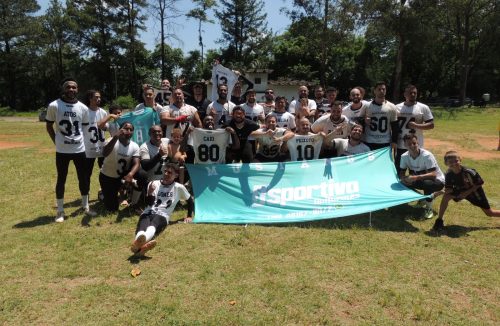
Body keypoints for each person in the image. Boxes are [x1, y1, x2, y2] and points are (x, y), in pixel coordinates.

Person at [45, 78, 94, 222]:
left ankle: (85, 206)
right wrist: (56, 141)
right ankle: (60, 211)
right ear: (64, 89)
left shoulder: (83, 108)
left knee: (83, 178)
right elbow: (49, 126)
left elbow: (84, 128)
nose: (71, 90)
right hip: (62, 150)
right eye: (68, 87)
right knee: (61, 178)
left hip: (79, 149)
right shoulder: (54, 105)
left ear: (77, 90)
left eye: (74, 87)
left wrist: (80, 142)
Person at [130, 163, 194, 256]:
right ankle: (140, 248)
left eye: (170, 172)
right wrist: (150, 193)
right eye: (165, 171)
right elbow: (149, 203)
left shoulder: (178, 187)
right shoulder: (153, 183)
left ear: (176, 175)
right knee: (142, 227)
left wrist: (189, 216)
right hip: (148, 212)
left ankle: (138, 247)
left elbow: (190, 200)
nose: (166, 174)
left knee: (153, 225)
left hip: (162, 215)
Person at [432, 151, 500, 231]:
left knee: (489, 213)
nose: (454, 164)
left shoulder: (469, 171)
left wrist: (466, 193)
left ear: (460, 160)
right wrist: (437, 193)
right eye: (450, 162)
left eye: (456, 161)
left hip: (475, 193)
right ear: (446, 163)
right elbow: (449, 189)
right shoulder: (449, 174)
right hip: (460, 191)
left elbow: (480, 182)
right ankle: (439, 220)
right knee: (446, 197)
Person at [399, 134, 444, 220]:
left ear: (417, 143)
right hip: (420, 179)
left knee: (428, 183)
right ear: (405, 145)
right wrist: (403, 179)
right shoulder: (404, 156)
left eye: (414, 143)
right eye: (409, 144)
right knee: (401, 183)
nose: (412, 146)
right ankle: (422, 198)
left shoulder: (427, 155)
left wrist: (415, 178)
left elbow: (433, 175)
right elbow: (402, 172)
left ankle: (428, 208)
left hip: (438, 181)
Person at [99, 122, 142, 212]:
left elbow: (136, 163)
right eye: (126, 129)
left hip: (121, 177)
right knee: (112, 208)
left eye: (131, 130)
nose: (128, 131)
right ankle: (103, 194)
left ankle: (132, 199)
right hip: (107, 177)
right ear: (120, 129)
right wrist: (115, 137)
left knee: (142, 175)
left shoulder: (134, 146)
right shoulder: (111, 140)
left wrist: (130, 174)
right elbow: (105, 153)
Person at [395, 85, 434, 172]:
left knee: (416, 170)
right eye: (410, 93)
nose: (412, 94)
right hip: (401, 143)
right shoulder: (397, 107)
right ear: (405, 94)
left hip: (416, 144)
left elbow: (431, 125)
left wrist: (416, 125)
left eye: (414, 93)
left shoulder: (423, 107)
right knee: (399, 170)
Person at [83, 90, 108, 202]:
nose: (98, 99)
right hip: (88, 148)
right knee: (86, 173)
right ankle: (85, 194)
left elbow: (106, 127)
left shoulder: (103, 112)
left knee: (105, 171)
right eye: (96, 97)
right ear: (90, 98)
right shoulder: (84, 111)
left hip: (102, 147)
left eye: (99, 97)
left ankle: (103, 191)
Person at [364, 81, 399, 153]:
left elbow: (395, 126)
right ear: (374, 91)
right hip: (369, 140)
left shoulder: (392, 106)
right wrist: (364, 120)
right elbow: (360, 120)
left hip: (385, 141)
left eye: (383, 89)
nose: (381, 91)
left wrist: (394, 141)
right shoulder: (367, 106)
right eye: (379, 89)